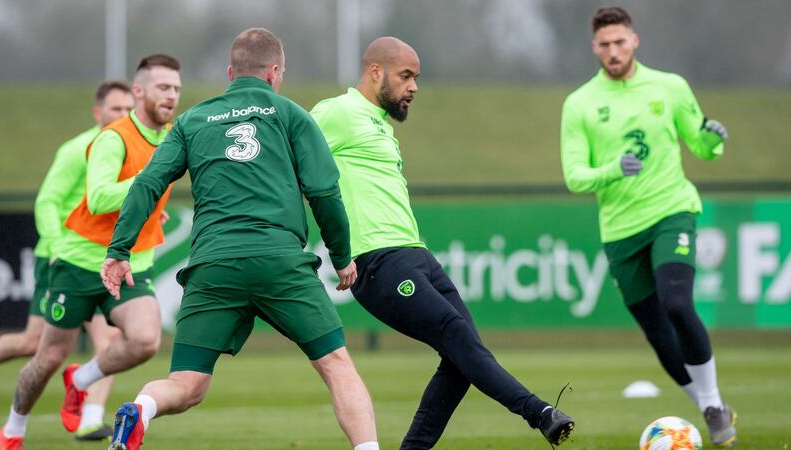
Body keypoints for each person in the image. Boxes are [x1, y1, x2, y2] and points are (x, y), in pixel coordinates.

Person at [100, 28, 379, 450]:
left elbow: (147, 184)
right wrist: (341, 256)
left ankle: (142, 408)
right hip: (279, 262)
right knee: (337, 366)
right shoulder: (290, 115)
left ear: (231, 72)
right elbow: (324, 192)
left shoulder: (192, 120)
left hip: (213, 267)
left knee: (186, 384)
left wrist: (119, 249)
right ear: (274, 73)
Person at [310, 37, 574, 449]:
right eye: (406, 76)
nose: (414, 86)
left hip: (416, 255)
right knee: (457, 336)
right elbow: (289, 160)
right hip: (377, 263)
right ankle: (538, 412)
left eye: (416, 77)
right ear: (375, 72)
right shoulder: (336, 112)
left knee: (461, 357)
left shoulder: (379, 124)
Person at [559, 6, 735, 448]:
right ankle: (707, 405)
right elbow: (575, 175)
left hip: (671, 209)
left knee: (677, 303)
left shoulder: (670, 87)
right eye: (605, 45)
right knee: (658, 332)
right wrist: (614, 169)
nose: (613, 51)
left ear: (634, 41)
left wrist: (712, 137)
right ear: (594, 48)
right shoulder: (580, 103)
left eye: (620, 42)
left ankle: (713, 406)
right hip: (620, 230)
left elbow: (701, 145)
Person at [0, 54, 181, 450]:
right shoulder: (109, 139)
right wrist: (147, 186)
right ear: (139, 92)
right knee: (46, 355)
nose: (171, 95)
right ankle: (14, 426)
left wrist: (154, 207)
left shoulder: (172, 137)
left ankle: (80, 383)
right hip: (79, 260)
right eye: (163, 87)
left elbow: (148, 190)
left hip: (132, 260)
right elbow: (96, 200)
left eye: (176, 88)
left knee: (146, 340)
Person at [0, 81, 132, 441]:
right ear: (98, 113)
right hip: (62, 259)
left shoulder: (129, 149)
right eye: (115, 109)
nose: (123, 115)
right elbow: (48, 201)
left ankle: (90, 419)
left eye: (128, 108)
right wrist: (56, 247)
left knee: (110, 341)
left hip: (102, 261)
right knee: (31, 344)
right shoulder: (76, 150)